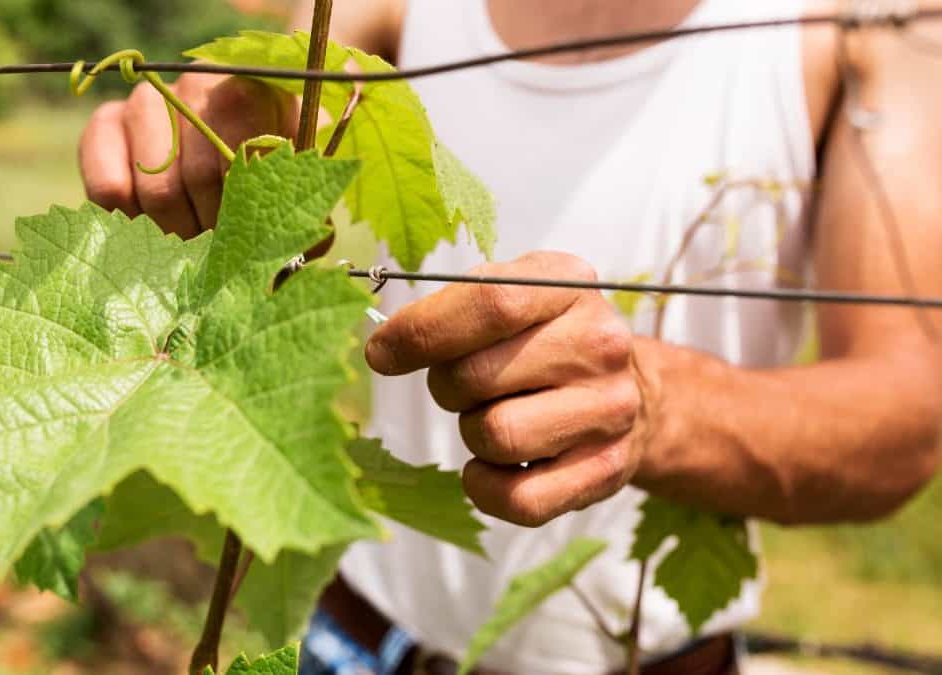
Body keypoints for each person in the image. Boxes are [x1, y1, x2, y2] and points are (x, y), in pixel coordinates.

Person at [78, 1, 942, 673]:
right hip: (356, 641)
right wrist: (205, 123)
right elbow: (278, 83)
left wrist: (656, 406)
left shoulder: (870, 25)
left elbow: (909, 416)